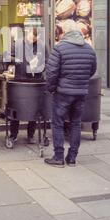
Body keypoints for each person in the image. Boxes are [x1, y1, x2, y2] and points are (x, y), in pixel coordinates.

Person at [45, 22, 97, 168]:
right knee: (75, 124)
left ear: (65, 32)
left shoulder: (60, 48)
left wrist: (52, 88)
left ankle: (59, 157)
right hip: (81, 92)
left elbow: (51, 73)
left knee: (58, 124)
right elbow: (92, 70)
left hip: (63, 93)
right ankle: (72, 158)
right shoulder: (89, 49)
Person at [10, 28, 49, 145]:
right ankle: (13, 135)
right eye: (31, 38)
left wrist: (39, 66)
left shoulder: (42, 45)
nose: (32, 41)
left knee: (34, 109)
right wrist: (19, 60)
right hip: (20, 80)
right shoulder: (17, 44)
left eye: (35, 39)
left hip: (35, 80)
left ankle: (31, 135)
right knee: (16, 109)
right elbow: (7, 57)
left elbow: (48, 61)